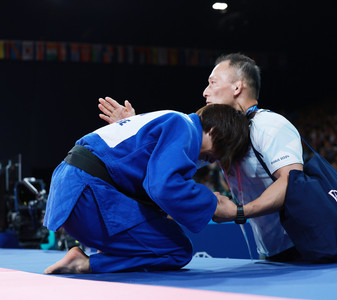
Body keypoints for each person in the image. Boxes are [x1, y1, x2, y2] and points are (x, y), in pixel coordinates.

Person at [99, 53, 305, 262]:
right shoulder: (223, 134)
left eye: (213, 82)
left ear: (237, 88)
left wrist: (239, 212)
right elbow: (164, 166)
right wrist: (138, 134)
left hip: (302, 244)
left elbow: (292, 181)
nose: (205, 91)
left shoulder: (269, 124)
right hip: (270, 250)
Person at [43, 104, 250, 274]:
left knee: (162, 227)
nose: (216, 160)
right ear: (213, 131)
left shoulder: (169, 119)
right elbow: (163, 188)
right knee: (177, 250)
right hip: (87, 195)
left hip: (73, 191)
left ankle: (105, 251)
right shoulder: (183, 128)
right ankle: (84, 264)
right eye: (222, 150)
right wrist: (212, 203)